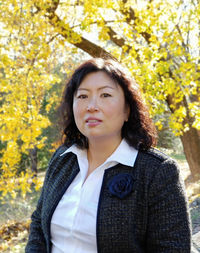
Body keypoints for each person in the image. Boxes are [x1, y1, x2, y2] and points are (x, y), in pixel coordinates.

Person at [25, 58, 191, 253]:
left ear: (128, 110)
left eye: (105, 95)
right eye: (83, 96)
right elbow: (38, 224)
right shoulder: (63, 157)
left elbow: (173, 248)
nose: (91, 106)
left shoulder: (157, 171)